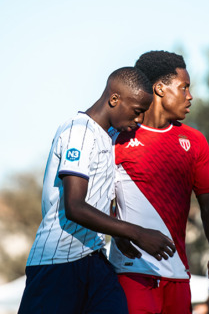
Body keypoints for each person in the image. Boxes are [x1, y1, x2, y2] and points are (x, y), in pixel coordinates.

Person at [18, 67, 176, 314]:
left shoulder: (109, 135)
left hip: (94, 259)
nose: (138, 121)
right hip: (57, 263)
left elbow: (101, 196)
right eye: (136, 112)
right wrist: (137, 233)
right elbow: (75, 207)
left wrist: (119, 235)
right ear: (115, 99)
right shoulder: (79, 131)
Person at [109, 51, 209, 314]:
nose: (190, 96)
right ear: (160, 88)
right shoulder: (117, 137)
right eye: (184, 87)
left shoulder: (194, 141)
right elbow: (99, 198)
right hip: (132, 274)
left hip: (178, 274)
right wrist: (118, 233)